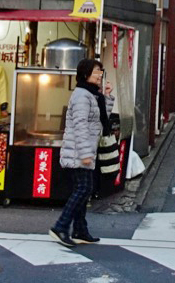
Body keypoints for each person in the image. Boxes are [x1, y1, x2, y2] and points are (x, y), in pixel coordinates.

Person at [50, 58, 115, 248]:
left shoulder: (92, 95)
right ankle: (61, 226)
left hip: (84, 150)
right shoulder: (81, 96)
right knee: (83, 189)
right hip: (78, 151)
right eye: (97, 72)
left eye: (101, 72)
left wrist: (108, 97)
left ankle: (80, 230)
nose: (100, 75)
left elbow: (98, 120)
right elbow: (79, 126)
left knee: (84, 190)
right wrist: (86, 153)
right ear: (86, 74)